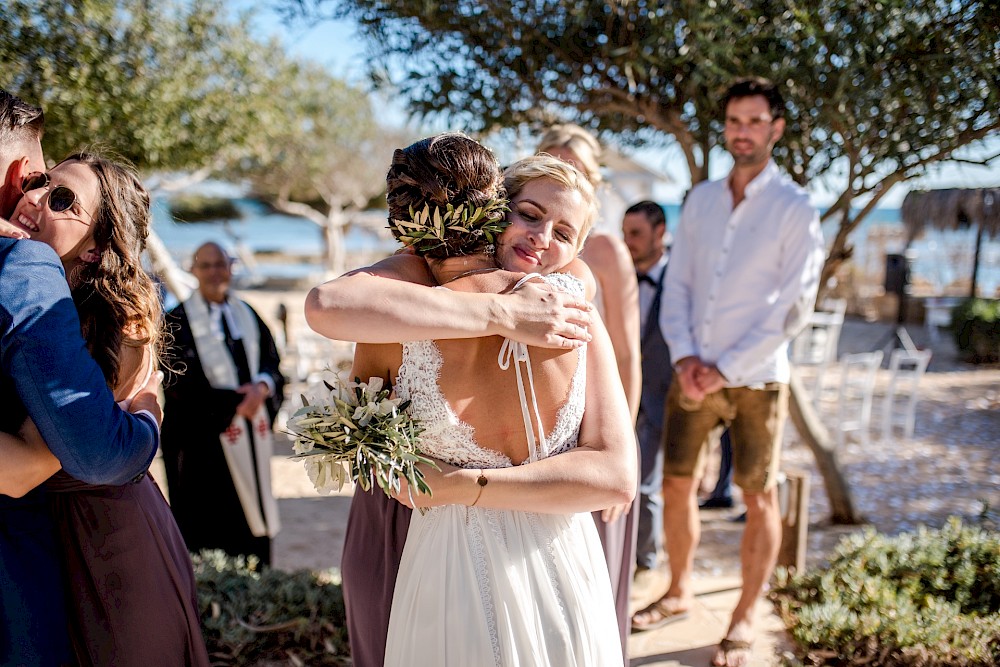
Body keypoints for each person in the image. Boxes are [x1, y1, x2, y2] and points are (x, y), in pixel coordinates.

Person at [305, 138, 635, 666]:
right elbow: (327, 305)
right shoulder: (413, 299)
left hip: (511, 557)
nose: (542, 237)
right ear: (493, 210)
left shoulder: (572, 310)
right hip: (534, 549)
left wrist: (455, 484)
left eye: (565, 233)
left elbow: (620, 474)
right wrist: (500, 313)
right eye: (528, 214)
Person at [630, 77, 825, 667]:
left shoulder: (796, 209)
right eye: (734, 120)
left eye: (754, 120)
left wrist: (725, 368)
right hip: (694, 371)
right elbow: (681, 283)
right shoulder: (701, 201)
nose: (742, 131)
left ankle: (742, 617)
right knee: (676, 484)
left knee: (757, 496)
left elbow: (794, 306)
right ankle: (680, 589)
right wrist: (688, 357)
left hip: (758, 378)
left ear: (776, 128)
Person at [0, 149, 211, 665]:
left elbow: (56, 450)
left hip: (108, 535)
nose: (34, 199)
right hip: (43, 535)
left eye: (62, 199)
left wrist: (145, 415)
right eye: (39, 182)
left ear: (95, 247)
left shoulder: (117, 320)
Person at [536, 123, 640, 652]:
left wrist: (623, 443)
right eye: (550, 161)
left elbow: (626, 354)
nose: (563, 174)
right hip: (539, 435)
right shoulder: (523, 240)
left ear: (593, 179)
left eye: (574, 167)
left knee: (590, 581)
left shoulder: (606, 250)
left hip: (593, 430)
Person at [161, 241, 285, 566]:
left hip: (250, 433)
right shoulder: (176, 322)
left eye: (221, 264)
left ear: (231, 267)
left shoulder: (246, 314)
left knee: (251, 511)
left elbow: (272, 362)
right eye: (207, 266)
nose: (215, 272)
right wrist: (234, 403)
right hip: (204, 444)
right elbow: (177, 382)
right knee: (211, 519)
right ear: (194, 270)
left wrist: (263, 387)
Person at [621, 200, 673, 573]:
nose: (628, 243)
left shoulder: (682, 280)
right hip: (620, 393)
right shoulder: (615, 275)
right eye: (624, 234)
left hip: (661, 395)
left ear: (661, 232)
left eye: (636, 234)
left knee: (647, 484)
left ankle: (645, 563)